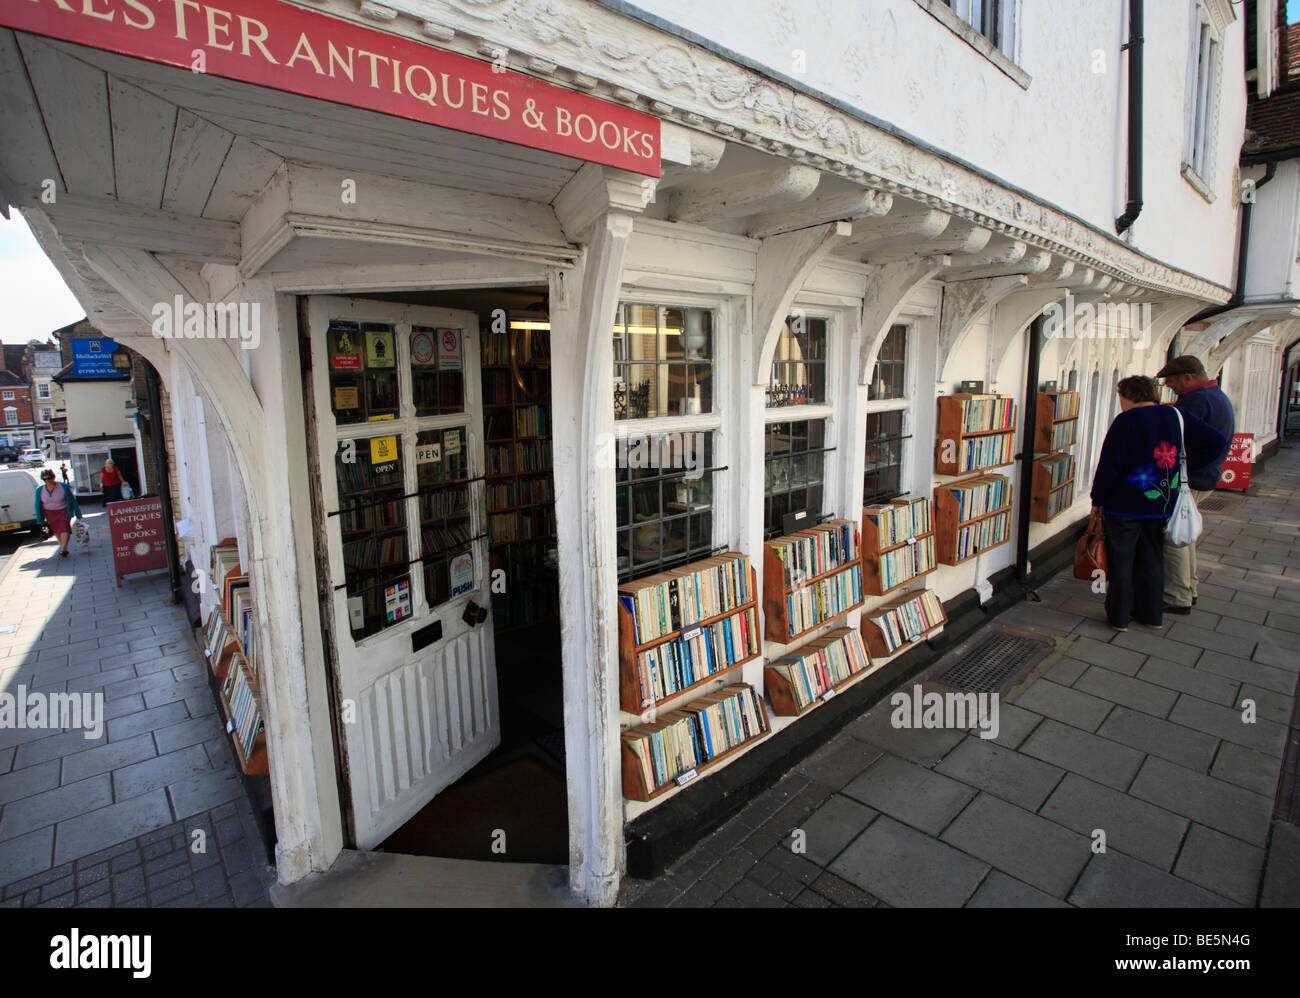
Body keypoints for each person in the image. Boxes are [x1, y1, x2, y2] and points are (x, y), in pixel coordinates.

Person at [1090, 375, 1227, 632]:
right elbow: (1216, 441)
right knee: (1152, 557)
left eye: (1120, 397)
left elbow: (1110, 464)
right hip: (1162, 501)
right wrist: (1184, 466)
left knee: (1122, 558)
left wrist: (1098, 499)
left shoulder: (1126, 420)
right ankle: (1151, 615)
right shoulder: (1175, 415)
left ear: (1128, 396)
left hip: (1125, 502)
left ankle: (1120, 617)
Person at [1155, 355, 1235, 614]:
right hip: (1203, 477)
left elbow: (1201, 442)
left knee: (1173, 537)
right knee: (1185, 533)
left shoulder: (1197, 402)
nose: (1172, 388)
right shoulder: (1216, 395)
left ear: (1188, 377)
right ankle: (1189, 588)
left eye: (1172, 383)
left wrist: (1185, 469)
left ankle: (1176, 595)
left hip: (1191, 479)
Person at [34, 467, 82, 558]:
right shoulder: (39, 490)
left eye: (49, 478)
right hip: (49, 513)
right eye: (44, 479)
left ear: (53, 477)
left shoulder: (63, 486)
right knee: (57, 531)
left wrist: (78, 514)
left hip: (63, 510)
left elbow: (72, 500)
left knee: (64, 528)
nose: (47, 481)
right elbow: (37, 505)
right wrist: (39, 519)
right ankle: (64, 548)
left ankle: (63, 550)